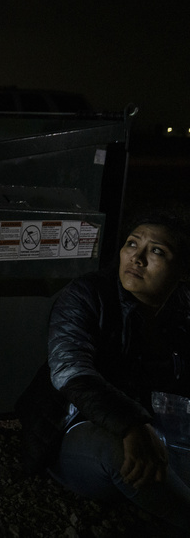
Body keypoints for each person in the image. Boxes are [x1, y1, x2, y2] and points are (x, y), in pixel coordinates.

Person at [16, 212, 190, 531]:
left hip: (158, 429)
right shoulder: (88, 295)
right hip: (72, 427)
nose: (136, 257)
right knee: (122, 455)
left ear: (183, 271)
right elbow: (71, 372)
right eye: (131, 244)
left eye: (156, 251)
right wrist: (131, 425)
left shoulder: (183, 310)